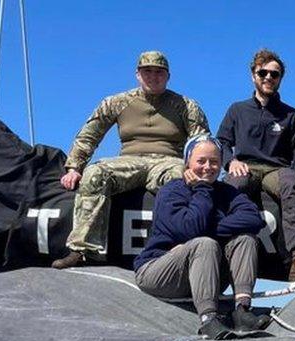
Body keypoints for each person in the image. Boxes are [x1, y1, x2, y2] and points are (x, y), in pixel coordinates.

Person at [52, 51, 210, 269]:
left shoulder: (186, 106)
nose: (153, 77)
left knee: (180, 180)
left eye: (159, 72)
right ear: (137, 74)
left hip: (168, 161)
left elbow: (201, 142)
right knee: (95, 174)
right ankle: (83, 250)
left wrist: (199, 172)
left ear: (168, 76)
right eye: (147, 72)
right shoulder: (117, 102)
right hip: (130, 160)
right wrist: (74, 167)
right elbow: (90, 133)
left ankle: (178, 252)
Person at [133, 135, 268, 340]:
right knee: (204, 243)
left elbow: (253, 219)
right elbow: (190, 229)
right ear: (188, 162)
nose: (208, 167)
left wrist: (209, 229)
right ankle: (208, 319)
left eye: (214, 162)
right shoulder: (171, 191)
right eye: (201, 161)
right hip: (158, 271)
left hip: (205, 273)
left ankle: (242, 310)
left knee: (245, 238)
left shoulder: (227, 192)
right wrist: (202, 190)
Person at [217, 48, 295, 282]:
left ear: (281, 78)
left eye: (275, 74)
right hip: (246, 167)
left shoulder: (291, 115)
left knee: (291, 182)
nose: (269, 78)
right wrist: (231, 162)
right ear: (253, 75)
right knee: (229, 188)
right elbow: (221, 142)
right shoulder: (237, 109)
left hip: (276, 170)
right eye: (263, 73)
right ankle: (218, 253)